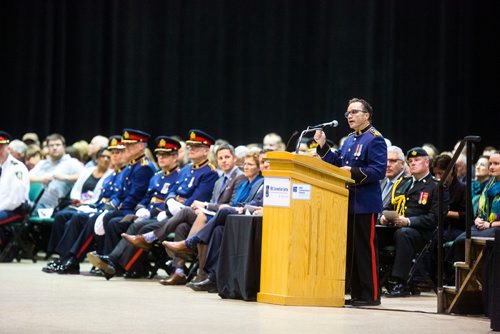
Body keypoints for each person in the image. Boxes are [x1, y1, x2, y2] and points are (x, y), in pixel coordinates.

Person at [87, 130, 219, 280]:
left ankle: (118, 264)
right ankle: (115, 262)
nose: (191, 149)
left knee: (141, 227)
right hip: (169, 214)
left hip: (185, 216)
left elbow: (197, 199)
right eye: (190, 146)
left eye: (196, 146)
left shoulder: (210, 173)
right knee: (132, 224)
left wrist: (169, 208)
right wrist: (167, 202)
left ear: (206, 150)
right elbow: (172, 191)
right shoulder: (186, 170)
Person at [313, 98, 387, 306]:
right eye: (348, 113)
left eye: (354, 112)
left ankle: (371, 295)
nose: (350, 116)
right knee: (352, 250)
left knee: (366, 249)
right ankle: (357, 293)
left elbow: (378, 171)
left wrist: (353, 172)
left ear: (367, 115)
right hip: (346, 201)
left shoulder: (375, 139)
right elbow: (338, 164)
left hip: (365, 203)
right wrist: (323, 146)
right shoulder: (350, 140)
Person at [163, 150, 265, 292]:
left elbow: (244, 204)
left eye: (251, 164)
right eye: (245, 164)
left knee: (205, 213)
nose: (246, 167)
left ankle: (188, 243)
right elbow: (240, 203)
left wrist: (207, 207)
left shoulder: (249, 180)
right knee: (212, 230)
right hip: (232, 215)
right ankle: (210, 277)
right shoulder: (237, 183)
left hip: (245, 218)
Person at [41, 136, 127, 274]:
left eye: (119, 152)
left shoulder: (123, 172)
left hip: (118, 211)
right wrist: (94, 206)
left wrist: (98, 207)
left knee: (88, 219)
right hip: (101, 207)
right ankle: (64, 258)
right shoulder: (114, 174)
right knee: (73, 218)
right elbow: (101, 198)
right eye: (113, 152)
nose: (114, 156)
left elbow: (125, 198)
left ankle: (72, 259)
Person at [380, 147, 444, 297]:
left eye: (417, 160)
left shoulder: (435, 186)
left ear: (427, 163)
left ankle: (400, 282)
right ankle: (374, 279)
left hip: (420, 232)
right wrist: (384, 216)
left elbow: (435, 218)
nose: (412, 163)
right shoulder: (404, 183)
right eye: (410, 161)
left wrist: (408, 221)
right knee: (375, 233)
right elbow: (389, 206)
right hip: (397, 227)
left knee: (404, 234)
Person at [450, 152, 500, 262]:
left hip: (496, 227)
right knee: (460, 240)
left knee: (468, 241)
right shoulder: (489, 184)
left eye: (496, 163)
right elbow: (480, 211)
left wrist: (490, 224)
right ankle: (458, 275)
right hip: (483, 225)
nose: (491, 167)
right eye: (490, 163)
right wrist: (477, 219)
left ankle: (476, 275)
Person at [29, 133, 84, 213]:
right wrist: (41, 179)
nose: (54, 148)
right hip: (35, 202)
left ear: (63, 146)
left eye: (58, 145)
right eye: (51, 145)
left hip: (55, 207)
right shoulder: (42, 163)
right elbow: (27, 177)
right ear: (47, 148)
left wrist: (65, 178)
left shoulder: (71, 162)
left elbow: (86, 177)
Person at [0, 131, 30, 221]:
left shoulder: (17, 168)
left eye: (1, 147)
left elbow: (15, 200)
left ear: (9, 149)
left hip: (12, 209)